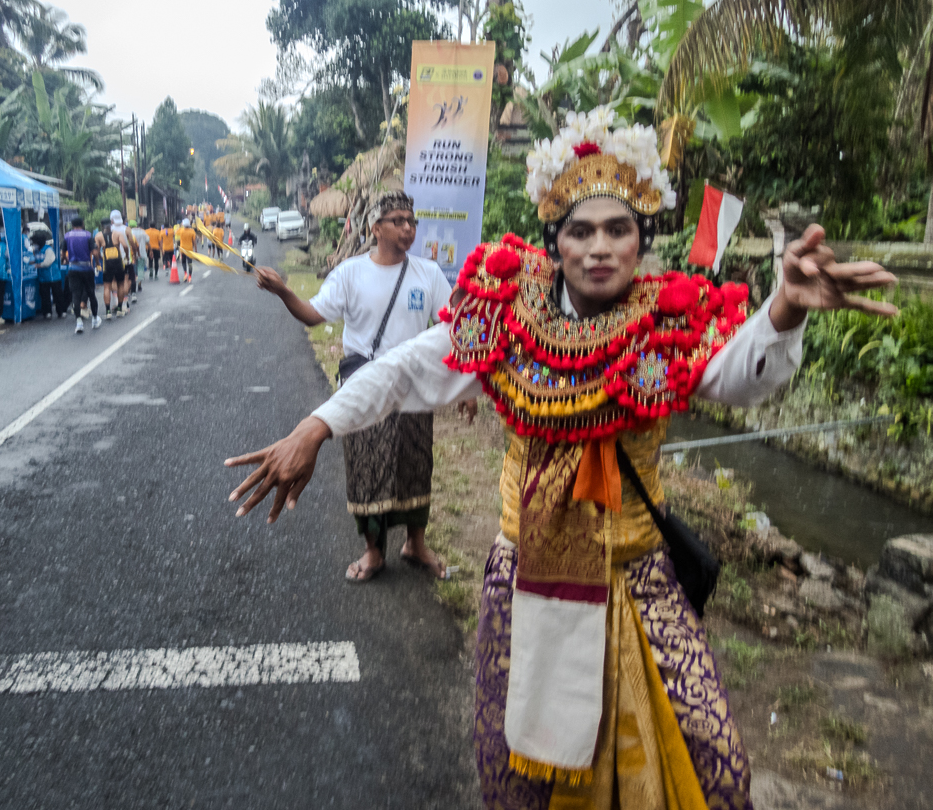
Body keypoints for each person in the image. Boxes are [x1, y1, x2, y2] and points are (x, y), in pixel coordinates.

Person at [226, 108, 900, 809]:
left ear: (642, 240)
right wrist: (316, 425)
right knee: (528, 773)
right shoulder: (507, 318)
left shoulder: (667, 321)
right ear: (556, 243)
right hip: (528, 579)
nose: (600, 246)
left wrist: (784, 310)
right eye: (581, 230)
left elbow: (734, 376)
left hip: (637, 582)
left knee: (705, 759)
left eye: (619, 229)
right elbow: (404, 370)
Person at [254, 190, 454, 583]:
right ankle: (373, 551)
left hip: (412, 387)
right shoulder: (350, 272)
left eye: (411, 221)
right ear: (375, 228)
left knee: (416, 464)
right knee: (367, 468)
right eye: (398, 220)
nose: (408, 228)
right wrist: (283, 291)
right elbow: (314, 316)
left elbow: (449, 328)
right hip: (363, 386)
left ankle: (415, 543)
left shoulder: (428, 273)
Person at [63, 216, 101, 333]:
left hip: (73, 268)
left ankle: (79, 322)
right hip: (86, 268)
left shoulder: (67, 236)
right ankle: (94, 319)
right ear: (82, 223)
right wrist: (97, 263)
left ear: (72, 225)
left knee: (75, 295)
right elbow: (95, 252)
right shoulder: (88, 235)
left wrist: (67, 260)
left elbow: (63, 253)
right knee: (91, 293)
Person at [95, 218, 128, 319]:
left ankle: (108, 311)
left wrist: (98, 262)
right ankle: (119, 309)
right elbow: (125, 246)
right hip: (118, 261)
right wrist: (126, 256)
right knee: (120, 284)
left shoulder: (98, 236)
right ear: (111, 225)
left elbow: (96, 251)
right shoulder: (117, 234)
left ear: (101, 226)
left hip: (107, 262)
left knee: (107, 287)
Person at [30, 229, 65, 319]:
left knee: (57, 295)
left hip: (53, 276)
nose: (33, 243)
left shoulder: (48, 249)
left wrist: (37, 265)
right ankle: (47, 312)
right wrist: (31, 262)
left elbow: (47, 262)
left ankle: (61, 311)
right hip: (43, 277)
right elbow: (35, 259)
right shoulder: (37, 250)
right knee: (45, 296)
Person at [178, 218, 198, 283]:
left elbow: (175, 232)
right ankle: (189, 277)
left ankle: (185, 273)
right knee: (190, 263)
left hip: (182, 250)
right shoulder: (192, 231)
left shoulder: (181, 230)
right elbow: (194, 241)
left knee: (183, 262)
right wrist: (196, 249)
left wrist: (181, 226)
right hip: (190, 250)